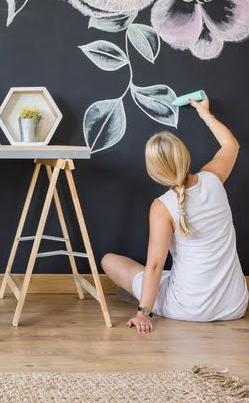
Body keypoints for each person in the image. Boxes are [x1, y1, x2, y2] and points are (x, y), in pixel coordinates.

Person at [101, 96, 248, 333]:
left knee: (109, 261)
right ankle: (151, 293)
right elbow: (231, 145)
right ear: (184, 155)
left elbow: (156, 265)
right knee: (171, 273)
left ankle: (146, 299)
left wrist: (143, 313)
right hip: (234, 305)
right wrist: (204, 113)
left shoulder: (163, 206)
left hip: (189, 308)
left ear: (154, 172)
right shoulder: (213, 180)